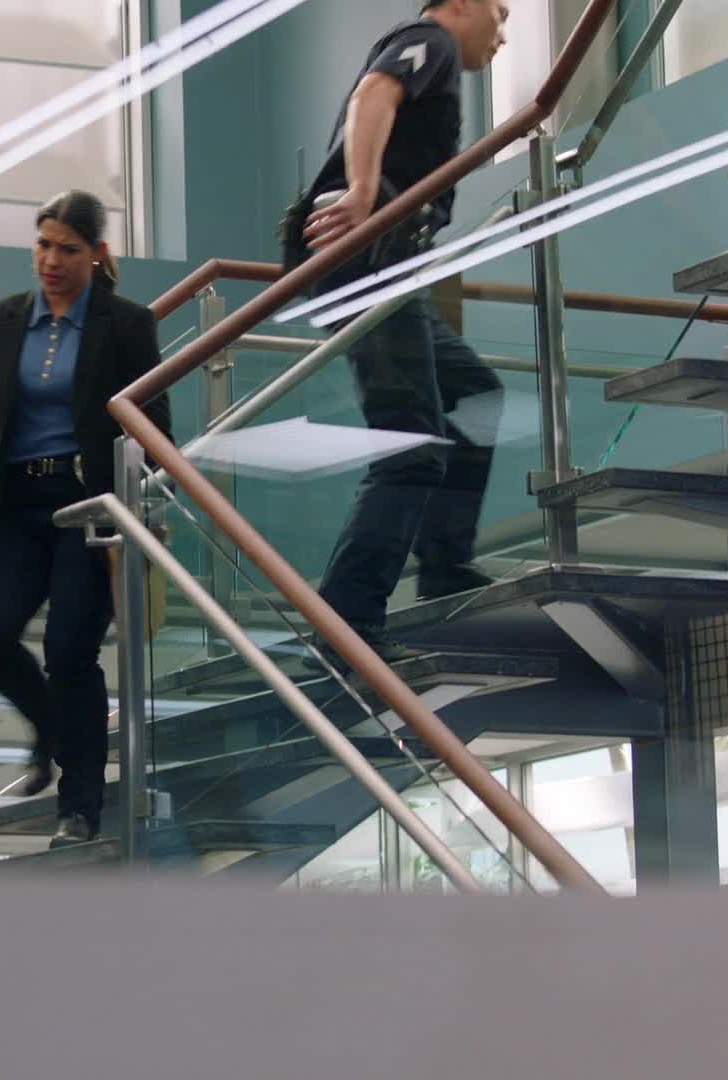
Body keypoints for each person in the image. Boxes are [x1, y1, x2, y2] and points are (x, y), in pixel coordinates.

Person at [0, 191, 172, 849]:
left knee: (69, 652)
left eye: (67, 249)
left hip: (89, 507)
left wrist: (138, 507)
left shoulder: (126, 325)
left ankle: (79, 806)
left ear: (98, 254)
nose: (51, 261)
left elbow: (155, 426)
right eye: (42, 245)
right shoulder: (3, 321)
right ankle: (52, 728)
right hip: (18, 504)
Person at [282, 0, 511, 664]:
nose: (502, 33)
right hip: (367, 254)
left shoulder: (438, 60)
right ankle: (347, 624)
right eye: (499, 12)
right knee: (410, 445)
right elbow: (374, 94)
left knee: (475, 394)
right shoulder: (428, 40)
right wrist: (362, 192)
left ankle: (444, 565)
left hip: (388, 261)